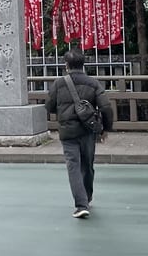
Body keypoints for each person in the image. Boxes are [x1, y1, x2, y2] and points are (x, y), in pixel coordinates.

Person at [45, 48, 114, 219]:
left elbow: (49, 106)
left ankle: (81, 205)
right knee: (88, 164)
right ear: (83, 65)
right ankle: (87, 197)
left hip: (67, 131)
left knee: (73, 166)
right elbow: (105, 107)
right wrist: (105, 129)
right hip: (88, 130)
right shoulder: (93, 83)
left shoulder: (59, 84)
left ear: (66, 65)